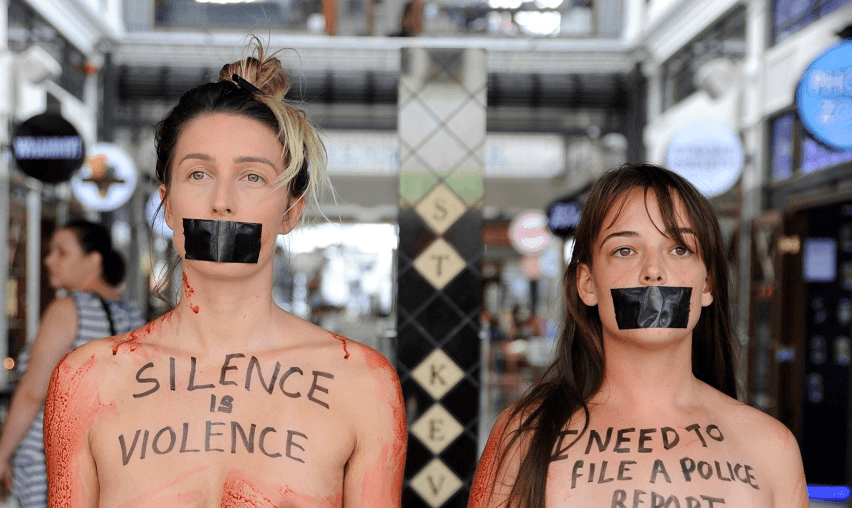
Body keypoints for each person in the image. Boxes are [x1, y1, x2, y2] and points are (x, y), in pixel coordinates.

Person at [44, 39, 406, 507]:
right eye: (198, 174)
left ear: (291, 210)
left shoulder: (361, 384)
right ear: (167, 203)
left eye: (252, 176)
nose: (222, 200)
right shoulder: (89, 378)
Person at [469, 164, 808, 508]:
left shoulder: (771, 447)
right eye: (625, 250)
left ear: (707, 284)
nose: (653, 271)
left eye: (679, 249)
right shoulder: (524, 436)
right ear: (587, 284)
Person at [0, 220, 145, 508]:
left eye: (61, 252)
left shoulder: (68, 309)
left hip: (49, 459)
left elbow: (33, 393)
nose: (49, 260)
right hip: (107, 460)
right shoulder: (132, 313)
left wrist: (2, 452)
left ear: (93, 261)